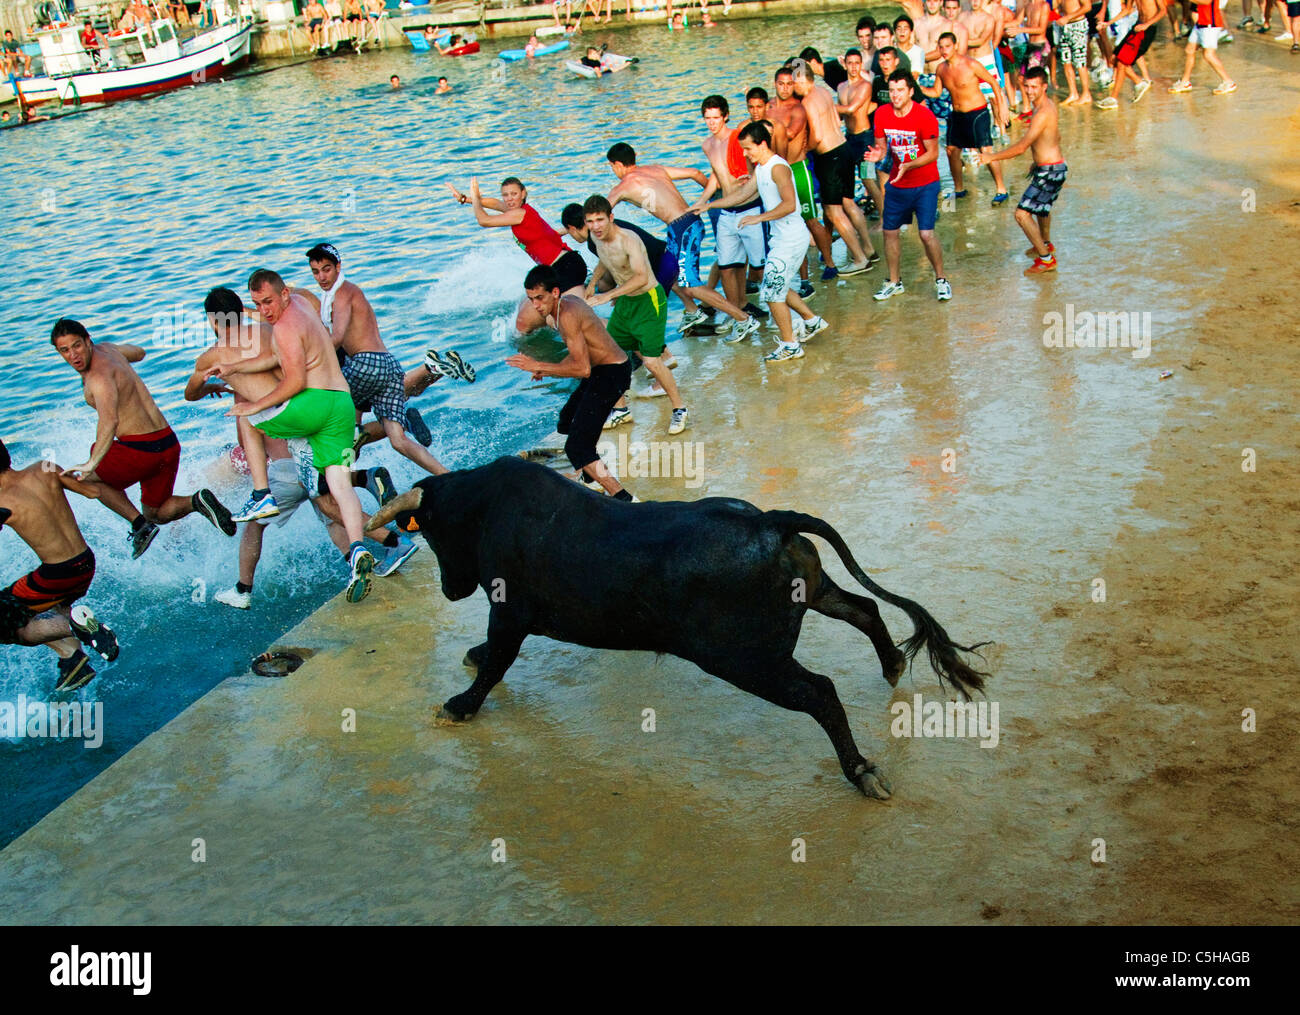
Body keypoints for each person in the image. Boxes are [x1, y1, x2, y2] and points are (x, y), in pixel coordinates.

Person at [187, 289, 417, 605]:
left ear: (213, 321)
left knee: (272, 517)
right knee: (330, 507)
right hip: (321, 418)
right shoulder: (270, 333)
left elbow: (190, 393)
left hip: (288, 459)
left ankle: (243, 588)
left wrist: (212, 382)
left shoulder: (214, 357)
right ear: (243, 310)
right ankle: (368, 551)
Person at [50, 318, 236, 559]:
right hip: (168, 444)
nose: (73, 355)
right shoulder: (109, 350)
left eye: (76, 345)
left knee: (80, 478)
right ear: (59, 352)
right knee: (157, 511)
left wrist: (91, 465)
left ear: (87, 341)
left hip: (141, 450)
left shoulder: (98, 377)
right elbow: (139, 353)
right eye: (65, 350)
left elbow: (109, 422)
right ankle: (196, 501)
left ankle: (139, 526)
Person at [305, 243, 450, 479]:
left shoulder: (342, 293)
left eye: (326, 269)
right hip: (387, 364)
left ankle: (347, 478)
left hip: (365, 364)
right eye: (315, 271)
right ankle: (448, 476)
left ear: (338, 267)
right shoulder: (342, 293)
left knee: (333, 420)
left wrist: (310, 364)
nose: (321, 277)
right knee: (398, 441)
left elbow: (338, 336)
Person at [700, 122, 830, 364]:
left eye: (748, 149)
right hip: (781, 238)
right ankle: (812, 321)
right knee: (776, 285)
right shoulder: (761, 168)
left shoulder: (777, 168)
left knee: (771, 292)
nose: (745, 154)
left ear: (761, 144)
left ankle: (791, 345)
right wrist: (709, 204)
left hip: (790, 238)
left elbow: (790, 204)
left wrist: (758, 218)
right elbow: (743, 194)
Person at [506, 266, 637, 501]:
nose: (535, 305)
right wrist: (544, 370)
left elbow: (582, 369)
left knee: (577, 447)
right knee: (567, 422)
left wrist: (539, 365)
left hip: (612, 373)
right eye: (530, 299)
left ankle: (623, 498)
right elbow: (579, 356)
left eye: (539, 298)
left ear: (555, 292)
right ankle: (590, 477)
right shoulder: (558, 311)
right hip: (600, 371)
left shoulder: (567, 314)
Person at [605, 142, 758, 338]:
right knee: (669, 274)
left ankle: (743, 319)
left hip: (682, 229)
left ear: (617, 164)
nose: (613, 171)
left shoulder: (624, 185)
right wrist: (715, 196)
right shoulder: (655, 169)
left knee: (691, 286)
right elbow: (695, 172)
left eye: (612, 167)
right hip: (688, 223)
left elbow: (600, 211)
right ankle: (693, 312)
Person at [0, 441, 119, 692]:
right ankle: (72, 660)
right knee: (46, 605)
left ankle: (80, 629)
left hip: (56, 574)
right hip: (86, 563)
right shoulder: (45, 467)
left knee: (8, 620)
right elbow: (93, 492)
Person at [581, 196, 688, 436]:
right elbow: (605, 261)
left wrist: (607, 296)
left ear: (611, 217)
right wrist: (593, 284)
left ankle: (679, 408)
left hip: (648, 300)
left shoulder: (628, 240)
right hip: (626, 303)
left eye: (600, 220)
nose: (596, 226)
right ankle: (620, 410)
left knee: (651, 361)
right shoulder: (596, 238)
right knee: (608, 355)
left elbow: (640, 277)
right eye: (590, 221)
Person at [448, 176, 587, 334]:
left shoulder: (520, 214)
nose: (509, 199)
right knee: (539, 317)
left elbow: (483, 220)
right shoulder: (517, 211)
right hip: (563, 266)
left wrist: (474, 194)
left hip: (565, 268)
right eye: (505, 195)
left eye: (513, 194)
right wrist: (466, 199)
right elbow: (495, 204)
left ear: (523, 193)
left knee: (570, 322)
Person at [864, 70, 952, 302]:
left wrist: (908, 165)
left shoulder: (924, 116)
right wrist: (877, 155)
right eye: (892, 90)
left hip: (925, 184)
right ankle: (894, 282)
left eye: (900, 90)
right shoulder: (882, 114)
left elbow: (933, 154)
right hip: (897, 184)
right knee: (890, 232)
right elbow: (882, 147)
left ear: (911, 91)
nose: (895, 95)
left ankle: (941, 279)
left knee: (925, 234)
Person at [790, 61, 878, 275]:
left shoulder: (809, 101)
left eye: (795, 82)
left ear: (803, 80)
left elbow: (818, 136)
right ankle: (869, 249)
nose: (794, 87)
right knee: (849, 203)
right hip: (844, 148)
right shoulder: (823, 91)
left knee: (833, 210)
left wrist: (803, 151)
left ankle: (859, 259)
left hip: (829, 156)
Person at [691, 95, 770, 331]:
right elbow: (716, 175)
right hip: (726, 210)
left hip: (750, 207)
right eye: (707, 118)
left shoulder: (738, 138)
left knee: (759, 265)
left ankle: (783, 303)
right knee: (726, 265)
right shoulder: (707, 145)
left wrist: (751, 178)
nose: (712, 122)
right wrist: (702, 200)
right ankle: (737, 311)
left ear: (725, 116)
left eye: (716, 117)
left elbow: (757, 163)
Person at [978, 66, 1066, 275]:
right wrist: (1038, 160)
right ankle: (1045, 244)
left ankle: (1046, 259)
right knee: (1042, 209)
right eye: (1026, 86)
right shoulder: (1044, 106)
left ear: (1044, 87)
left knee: (1021, 215)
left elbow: (1021, 147)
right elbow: (1056, 137)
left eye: (1034, 87)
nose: (1029, 91)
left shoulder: (1042, 111)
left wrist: (991, 156)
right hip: (1052, 166)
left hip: (1051, 170)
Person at [766, 67, 839, 282]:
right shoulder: (768, 107)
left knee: (810, 220)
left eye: (790, 84)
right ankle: (799, 275)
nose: (786, 88)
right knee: (782, 224)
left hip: (797, 170)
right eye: (782, 84)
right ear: (775, 84)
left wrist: (767, 123)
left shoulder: (797, 109)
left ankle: (830, 263)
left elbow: (789, 133)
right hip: (774, 172)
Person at [919, 33, 1009, 203]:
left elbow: (994, 83)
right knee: (952, 151)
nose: (944, 50)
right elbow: (936, 92)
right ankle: (959, 188)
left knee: (986, 151)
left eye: (947, 46)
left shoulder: (971, 64)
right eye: (941, 47)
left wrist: (1002, 107)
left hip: (977, 112)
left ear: (956, 45)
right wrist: (917, 86)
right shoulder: (941, 69)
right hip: (957, 114)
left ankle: (1001, 189)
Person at [837, 49, 885, 224]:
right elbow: (842, 115)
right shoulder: (841, 87)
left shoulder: (865, 85)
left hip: (865, 137)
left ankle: (884, 218)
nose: (854, 67)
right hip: (849, 138)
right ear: (845, 64)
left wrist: (826, 106)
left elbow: (851, 109)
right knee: (846, 180)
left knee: (868, 179)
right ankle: (850, 219)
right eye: (850, 63)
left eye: (857, 63)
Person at [1096, 0, 1165, 107]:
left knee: (1122, 62)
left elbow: (1163, 11)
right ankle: (1139, 82)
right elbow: (1127, 10)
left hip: (1147, 29)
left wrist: (1146, 25)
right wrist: (1108, 23)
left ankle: (1113, 98)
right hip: (1137, 27)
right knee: (1113, 59)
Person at [1169, 0, 1236, 94]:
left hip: (1210, 25)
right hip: (1201, 23)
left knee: (1208, 55)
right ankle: (1185, 82)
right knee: (1189, 50)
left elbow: (1206, 2)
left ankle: (1228, 81)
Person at [1055, 0, 1094, 105]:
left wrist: (1068, 17)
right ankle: (1073, 93)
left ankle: (1086, 94)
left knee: (1080, 62)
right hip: (1064, 27)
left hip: (1078, 25)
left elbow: (1087, 6)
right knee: (1066, 61)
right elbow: (1058, 7)